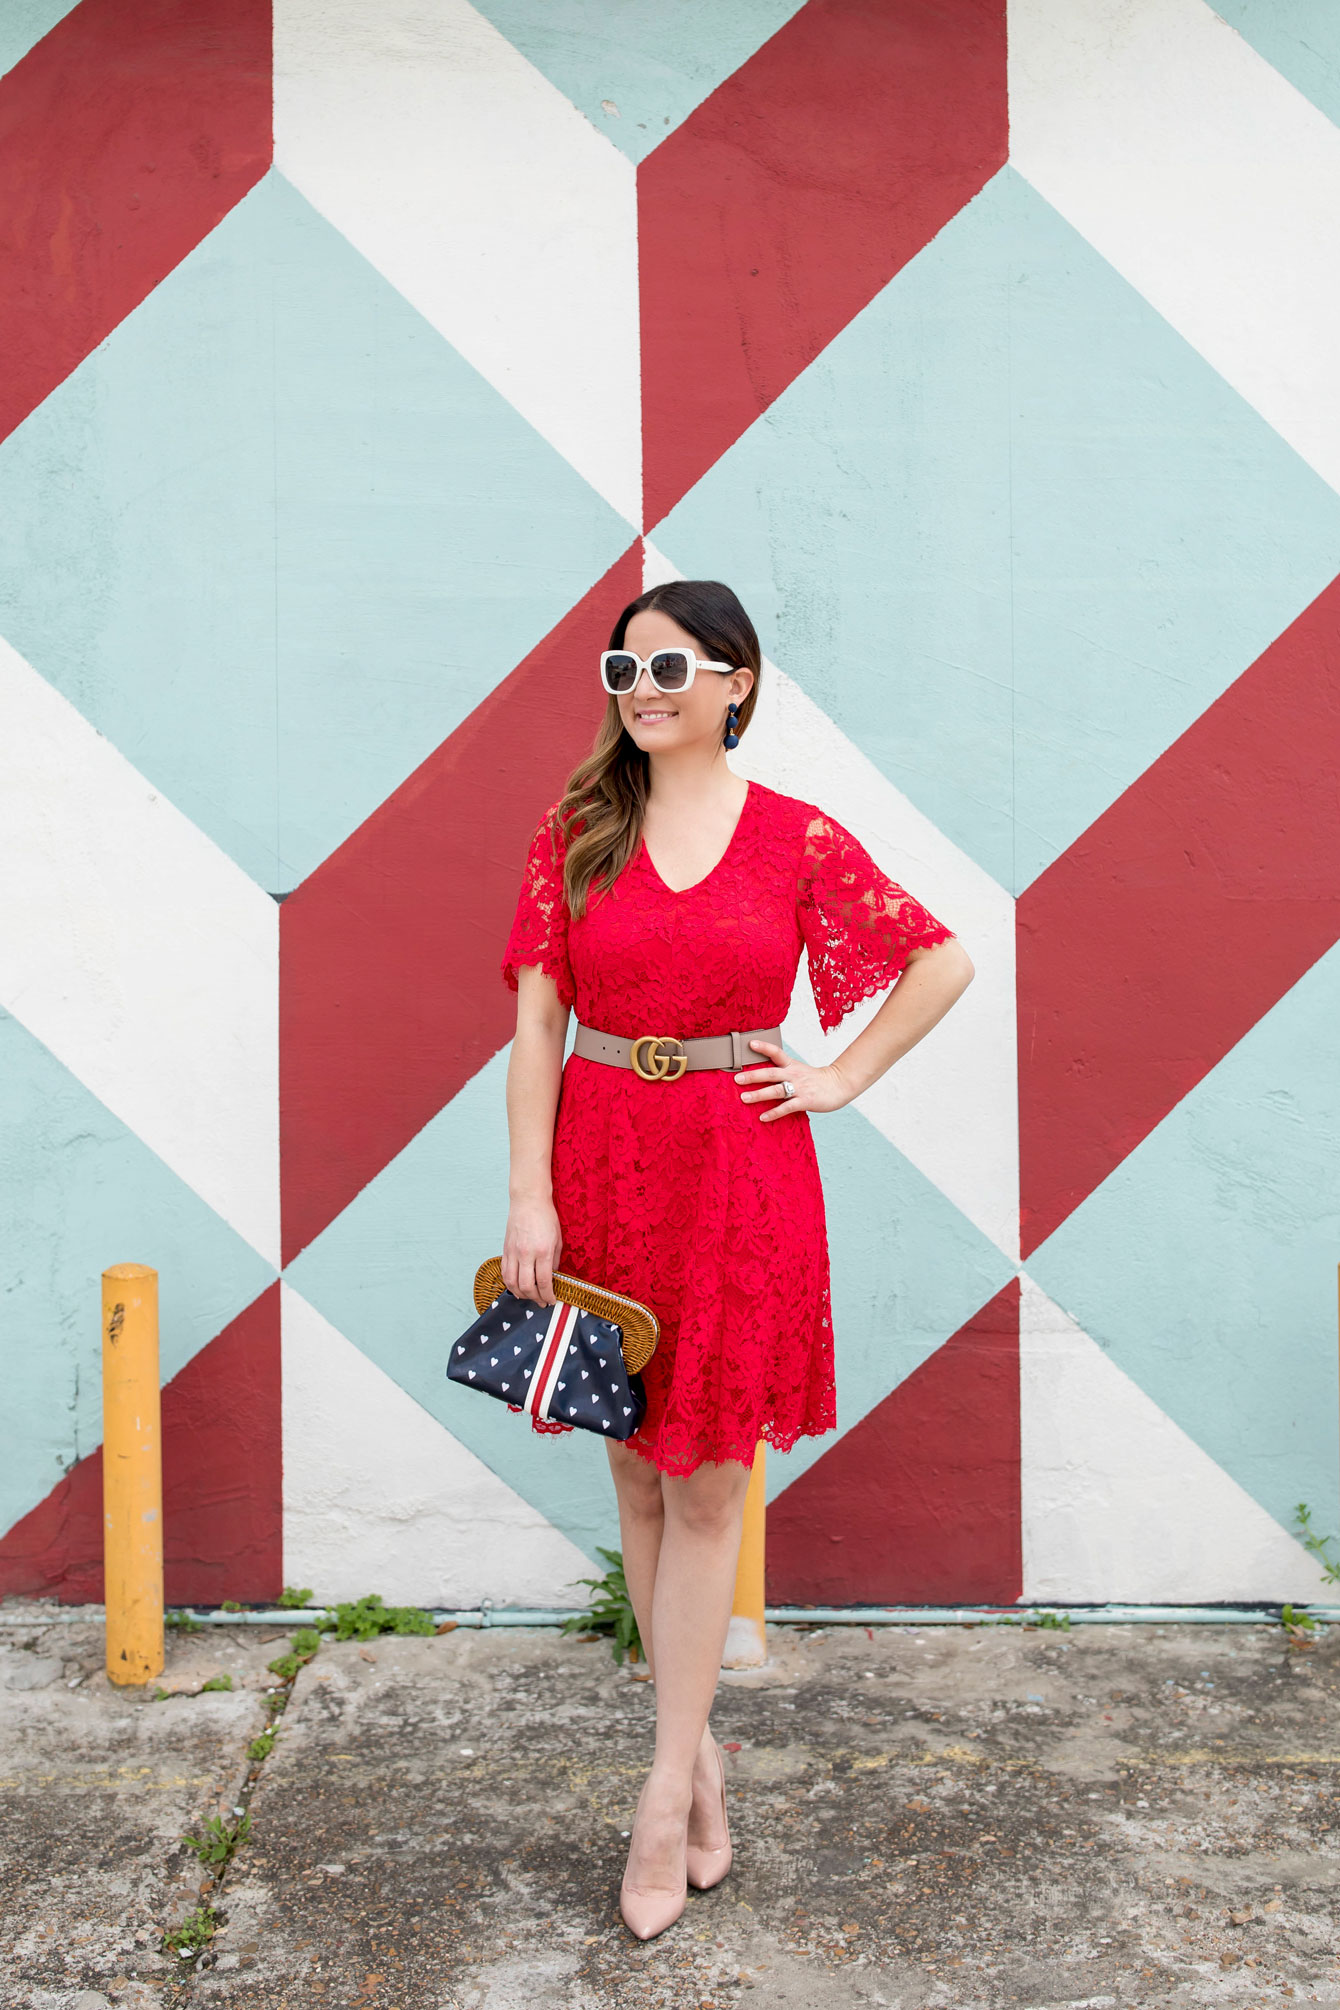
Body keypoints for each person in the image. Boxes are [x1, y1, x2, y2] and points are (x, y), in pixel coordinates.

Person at [498, 579, 974, 1939]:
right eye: (623, 665)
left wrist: (836, 1075)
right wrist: (530, 1195)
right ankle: (697, 1753)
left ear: (735, 684)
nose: (642, 687)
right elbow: (537, 1027)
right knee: (641, 1481)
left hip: (738, 1171)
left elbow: (937, 962)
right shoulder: (578, 831)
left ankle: (659, 1790)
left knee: (710, 1488)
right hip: (600, 1166)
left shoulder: (796, 839)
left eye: (670, 666)